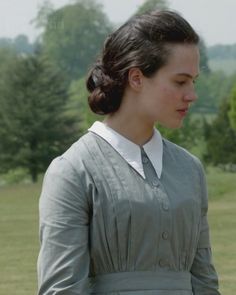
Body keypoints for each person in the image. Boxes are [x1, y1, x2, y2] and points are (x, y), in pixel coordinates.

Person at [37, 10, 221, 295]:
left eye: (193, 82)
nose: (192, 95)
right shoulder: (73, 171)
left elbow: (205, 282)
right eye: (180, 81)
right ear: (136, 78)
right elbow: (62, 290)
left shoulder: (190, 169)